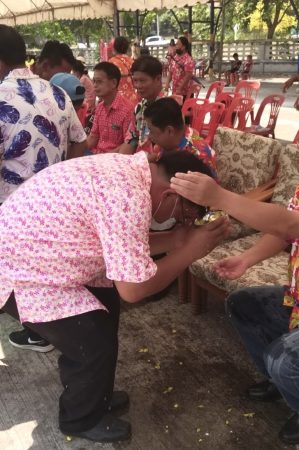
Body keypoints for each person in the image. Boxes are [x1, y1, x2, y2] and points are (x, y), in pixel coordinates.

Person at [170, 106, 299, 445]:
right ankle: (281, 379)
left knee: (283, 359)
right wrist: (245, 259)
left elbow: (288, 223)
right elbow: (287, 230)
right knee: (242, 304)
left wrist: (220, 197)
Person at [0, 149, 229, 443]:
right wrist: (190, 252)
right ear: (171, 196)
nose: (183, 223)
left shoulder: (131, 173)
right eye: (185, 216)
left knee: (106, 310)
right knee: (90, 338)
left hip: (45, 257)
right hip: (22, 271)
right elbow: (134, 290)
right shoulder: (129, 196)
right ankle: (80, 418)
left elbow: (125, 242)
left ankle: (96, 396)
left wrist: (177, 239)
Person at [0, 26, 87, 352]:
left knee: (24, 276)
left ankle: (42, 330)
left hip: (15, 211)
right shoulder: (57, 92)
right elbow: (80, 140)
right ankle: (45, 331)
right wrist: (60, 179)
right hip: (55, 206)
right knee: (46, 272)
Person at [143, 97, 217, 179]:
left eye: (151, 130)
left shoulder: (196, 156)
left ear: (169, 131)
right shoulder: (172, 140)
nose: (149, 136)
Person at [118, 56, 165, 155]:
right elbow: (131, 139)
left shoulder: (169, 108)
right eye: (135, 81)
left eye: (142, 81)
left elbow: (165, 152)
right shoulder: (139, 108)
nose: (138, 86)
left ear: (158, 79)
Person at [86, 62, 133, 154]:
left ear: (113, 83)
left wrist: (105, 157)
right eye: (94, 81)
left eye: (99, 81)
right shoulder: (99, 107)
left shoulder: (127, 110)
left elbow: (128, 144)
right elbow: (93, 137)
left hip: (115, 160)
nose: (94, 85)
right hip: (96, 155)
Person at [109, 36, 138, 104]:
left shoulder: (111, 62)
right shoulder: (132, 62)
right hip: (133, 98)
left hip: (117, 99)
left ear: (114, 47)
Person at [165, 36, 195, 100]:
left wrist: (180, 89)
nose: (176, 46)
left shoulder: (188, 60)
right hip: (176, 91)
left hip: (185, 93)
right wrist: (167, 84)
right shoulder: (175, 57)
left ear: (183, 47)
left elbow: (188, 76)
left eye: (178, 44)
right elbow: (170, 72)